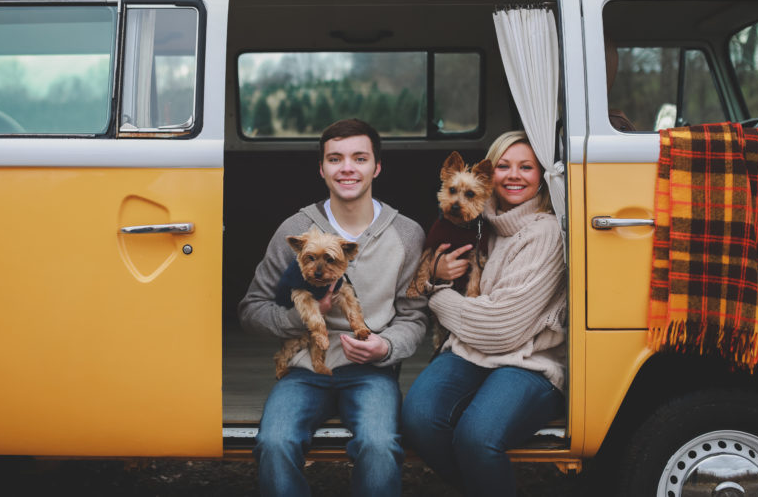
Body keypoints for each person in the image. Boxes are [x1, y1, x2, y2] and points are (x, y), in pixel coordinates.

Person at [238, 118, 428, 497]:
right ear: (321, 169)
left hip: (371, 370)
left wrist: (385, 346)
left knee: (380, 446)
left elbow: (414, 316)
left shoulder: (407, 233)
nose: (347, 168)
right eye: (335, 158)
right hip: (304, 369)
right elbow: (251, 311)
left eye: (359, 158)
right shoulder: (294, 230)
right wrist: (302, 318)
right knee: (274, 443)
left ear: (376, 167)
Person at [400, 130, 566, 496]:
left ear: (543, 174)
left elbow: (502, 327)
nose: (514, 175)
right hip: (467, 349)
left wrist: (437, 295)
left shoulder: (546, 232)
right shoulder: (478, 225)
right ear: (491, 176)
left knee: (477, 437)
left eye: (527, 167)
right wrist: (438, 275)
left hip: (528, 361)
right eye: (504, 166)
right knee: (419, 419)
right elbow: (432, 275)